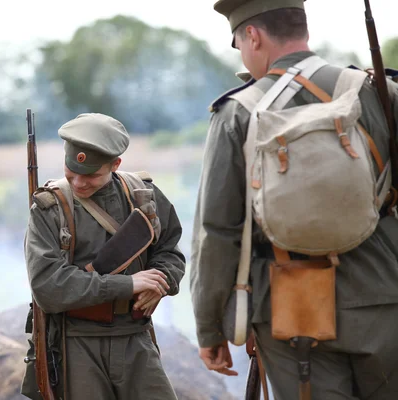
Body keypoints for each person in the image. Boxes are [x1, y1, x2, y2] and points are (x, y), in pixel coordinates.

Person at [190, 1, 398, 399]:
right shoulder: (377, 92)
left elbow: (216, 232)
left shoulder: (237, 112)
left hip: (291, 307)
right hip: (384, 297)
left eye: (239, 42)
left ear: (253, 35)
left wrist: (211, 327)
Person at [24, 113, 186, 399]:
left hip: (134, 336)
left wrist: (161, 282)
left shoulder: (143, 195)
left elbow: (169, 250)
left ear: (115, 164)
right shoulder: (49, 208)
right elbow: (48, 287)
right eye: (71, 172)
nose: (78, 183)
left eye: (91, 175)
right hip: (76, 341)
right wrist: (128, 285)